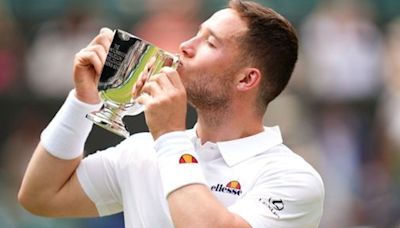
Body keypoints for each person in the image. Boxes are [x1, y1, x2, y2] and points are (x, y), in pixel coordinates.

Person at [18, 0, 324, 227]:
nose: (185, 46)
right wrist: (83, 101)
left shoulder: (293, 177)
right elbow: (41, 196)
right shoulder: (143, 151)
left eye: (210, 42)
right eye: (196, 34)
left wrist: (169, 136)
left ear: (246, 79)